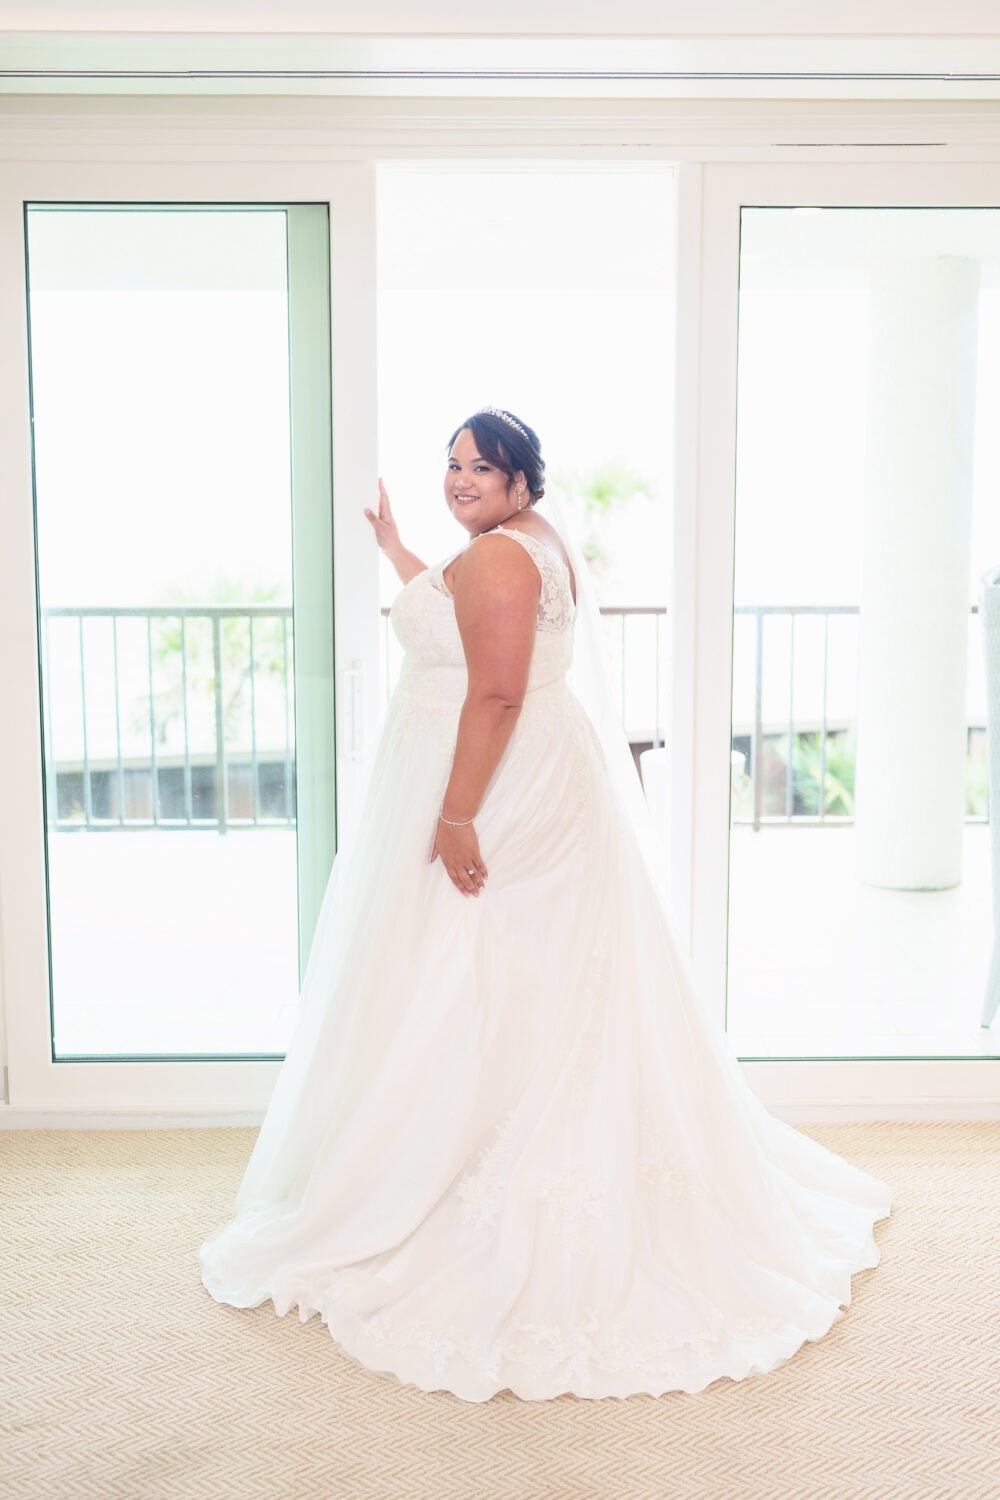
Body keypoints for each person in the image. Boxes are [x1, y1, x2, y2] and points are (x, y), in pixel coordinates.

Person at [200, 407, 893, 1402]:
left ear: (523, 476)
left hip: (499, 786)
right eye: (451, 465)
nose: (459, 479)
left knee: (473, 970)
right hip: (542, 780)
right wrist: (400, 548)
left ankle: (453, 1171)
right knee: (534, 978)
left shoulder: (496, 561)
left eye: (481, 466)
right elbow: (462, 629)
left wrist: (454, 814)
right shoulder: (524, 546)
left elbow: (493, 694)